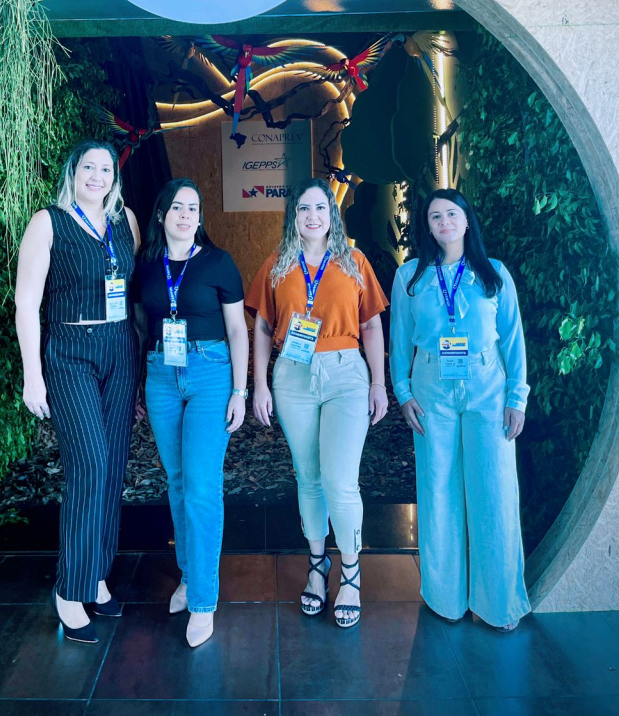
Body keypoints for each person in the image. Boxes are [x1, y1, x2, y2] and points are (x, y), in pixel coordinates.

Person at [247, 177, 388, 629]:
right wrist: (259, 385)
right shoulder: (277, 264)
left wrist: (379, 383)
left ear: (332, 215)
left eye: (320, 208)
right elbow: (262, 327)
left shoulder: (354, 261)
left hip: (346, 373)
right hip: (292, 375)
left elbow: (371, 326)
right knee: (308, 478)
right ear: (294, 216)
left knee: (340, 481)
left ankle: (351, 572)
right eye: (304, 208)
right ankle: (317, 564)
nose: (312, 216)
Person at [15, 140, 141, 643]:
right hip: (70, 350)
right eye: (88, 167)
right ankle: (70, 589)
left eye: (105, 168)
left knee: (112, 466)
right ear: (73, 172)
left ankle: (96, 576)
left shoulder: (126, 222)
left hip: (120, 349)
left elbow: (135, 292)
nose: (96, 175)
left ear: (114, 177)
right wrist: (32, 373)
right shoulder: (48, 223)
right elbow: (26, 303)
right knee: (89, 461)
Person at [389, 188, 530, 632]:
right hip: (431, 389)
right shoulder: (411, 276)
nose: (444, 222)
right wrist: (402, 392)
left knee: (494, 490)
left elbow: (513, 339)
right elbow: (399, 339)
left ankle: (498, 603)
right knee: (438, 489)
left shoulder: (494, 274)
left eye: (452, 214)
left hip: (487, 386)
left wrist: (517, 397)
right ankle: (444, 597)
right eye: (435, 217)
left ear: (467, 221)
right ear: (427, 226)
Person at [133, 178, 248, 648]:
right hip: (162, 374)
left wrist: (240, 390)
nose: (185, 215)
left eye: (193, 208)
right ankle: (188, 574)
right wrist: (139, 380)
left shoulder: (219, 263)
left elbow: (238, 329)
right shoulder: (146, 265)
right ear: (162, 214)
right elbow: (141, 324)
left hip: (210, 373)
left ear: (201, 217)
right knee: (178, 482)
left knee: (201, 487)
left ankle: (203, 599)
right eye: (177, 207)